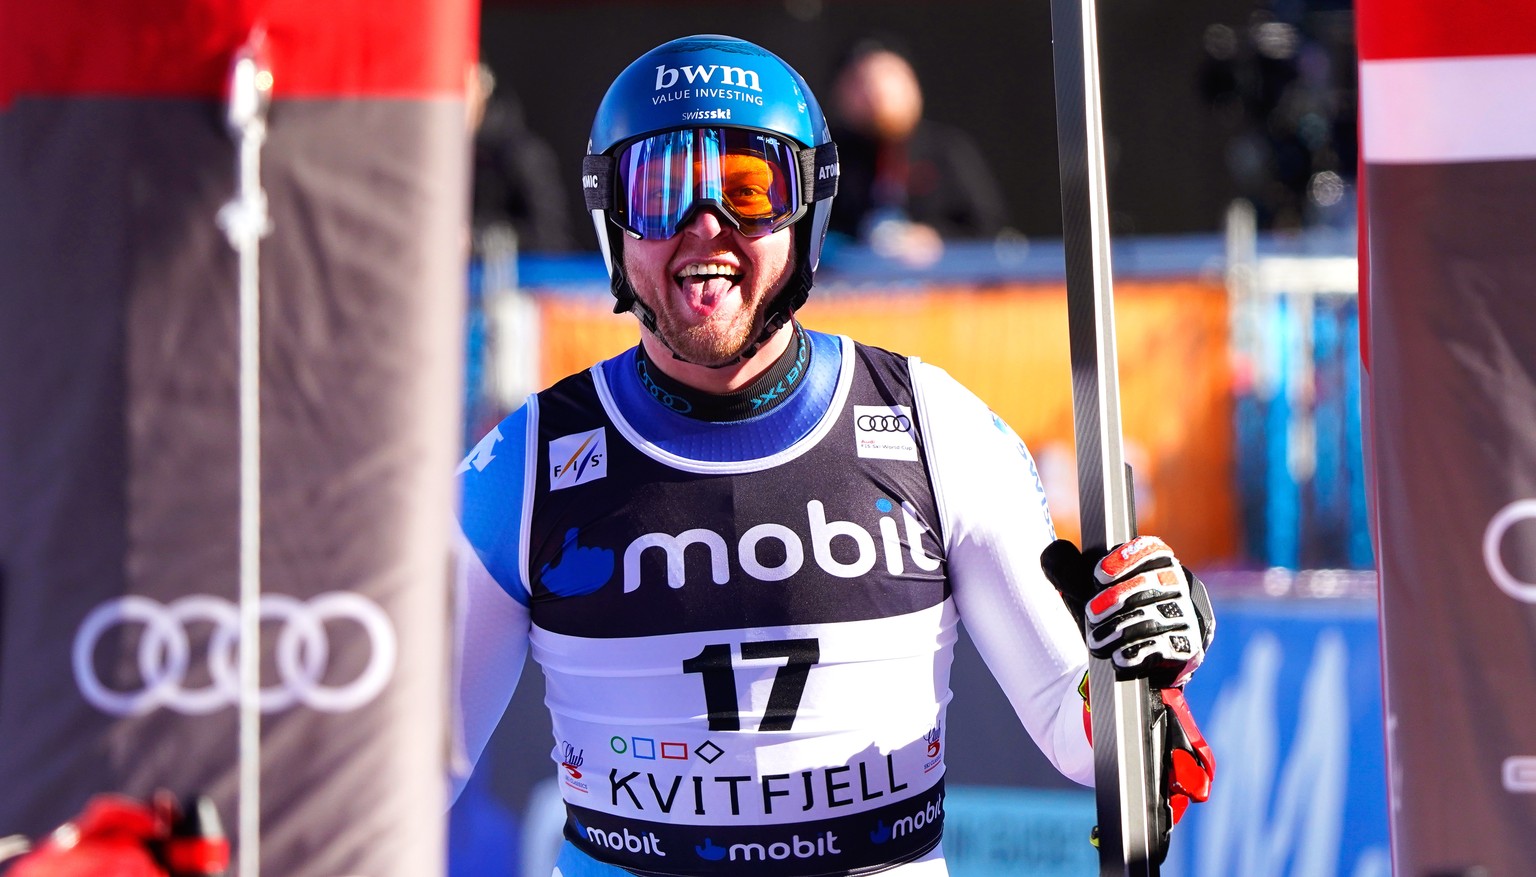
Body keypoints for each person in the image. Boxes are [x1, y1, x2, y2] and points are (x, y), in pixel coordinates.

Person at [452, 34, 1214, 877]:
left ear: (810, 209)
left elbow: (1087, 741)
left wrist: (1144, 666)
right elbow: (397, 773)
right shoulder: (524, 467)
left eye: (749, 188)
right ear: (611, 221)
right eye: (663, 190)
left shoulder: (935, 429)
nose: (706, 228)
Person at [825, 38, 1010, 265]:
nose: (876, 92)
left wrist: (934, 239)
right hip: (853, 290)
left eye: (889, 77)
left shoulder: (945, 148)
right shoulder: (833, 154)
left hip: (942, 290)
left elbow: (989, 229)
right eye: (861, 82)